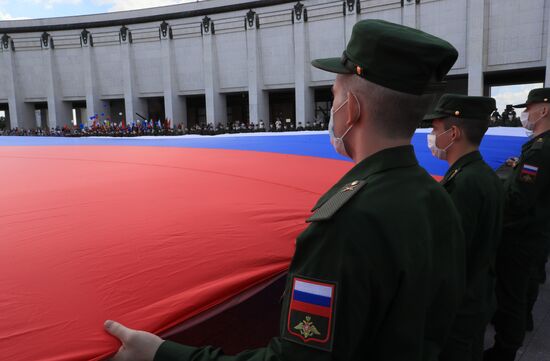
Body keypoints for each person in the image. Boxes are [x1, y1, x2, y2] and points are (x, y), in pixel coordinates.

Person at [104, 19, 465, 361]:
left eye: (334, 94)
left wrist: (162, 353)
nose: (333, 106)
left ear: (351, 109)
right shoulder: (438, 199)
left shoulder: (347, 222)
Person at [424, 94, 504, 361]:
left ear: (454, 132)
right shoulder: (481, 174)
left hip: (459, 308)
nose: (432, 136)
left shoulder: (464, 184)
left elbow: (451, 258)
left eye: (435, 129)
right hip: (477, 297)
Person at [484, 88, 550, 361]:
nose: (526, 114)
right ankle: (516, 331)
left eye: (529, 108)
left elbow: (518, 200)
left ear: (544, 110)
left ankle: (505, 350)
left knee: (511, 295)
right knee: (523, 286)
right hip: (536, 233)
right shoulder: (538, 147)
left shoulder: (540, 149)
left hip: (522, 236)